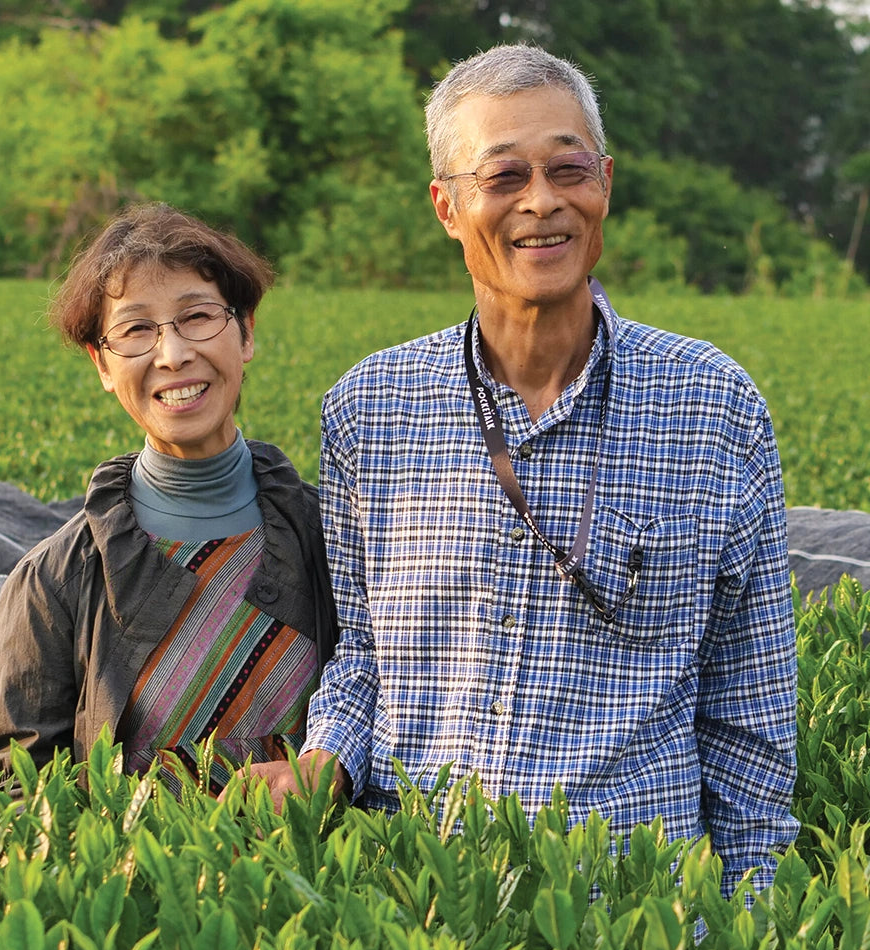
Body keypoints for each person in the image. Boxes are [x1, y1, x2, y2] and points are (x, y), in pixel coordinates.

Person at [250, 42, 798, 898]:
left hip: (629, 904)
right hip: (415, 897)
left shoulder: (712, 405)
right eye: (503, 177)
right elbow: (363, 655)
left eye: (567, 168)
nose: (542, 201)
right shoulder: (371, 408)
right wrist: (325, 761)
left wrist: (755, 914)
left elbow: (749, 707)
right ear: (447, 206)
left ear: (605, 183)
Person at [0, 203, 337, 797]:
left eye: (197, 317)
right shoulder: (53, 580)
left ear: (246, 333)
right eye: (136, 330)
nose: (172, 354)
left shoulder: (338, 538)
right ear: (102, 363)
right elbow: (24, 795)